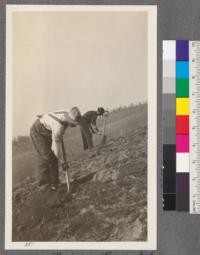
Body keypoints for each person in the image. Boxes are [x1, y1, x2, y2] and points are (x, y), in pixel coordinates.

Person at [30, 107, 82, 190]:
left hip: (48, 129)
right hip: (38, 131)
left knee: (53, 158)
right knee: (47, 156)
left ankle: (55, 183)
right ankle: (44, 184)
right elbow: (55, 148)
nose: (74, 125)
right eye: (74, 123)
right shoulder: (59, 127)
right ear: (69, 120)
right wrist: (62, 162)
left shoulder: (67, 113)